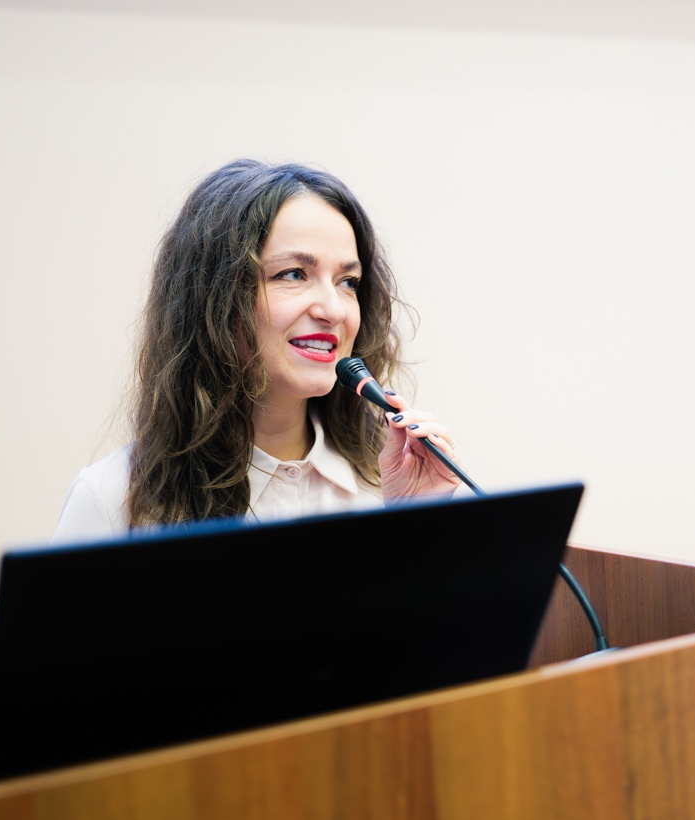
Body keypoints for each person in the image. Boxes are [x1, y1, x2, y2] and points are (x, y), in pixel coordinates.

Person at [52, 159, 462, 543]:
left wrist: (413, 525)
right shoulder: (112, 501)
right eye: (294, 274)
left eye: (348, 282)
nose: (334, 310)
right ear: (214, 300)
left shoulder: (390, 483)